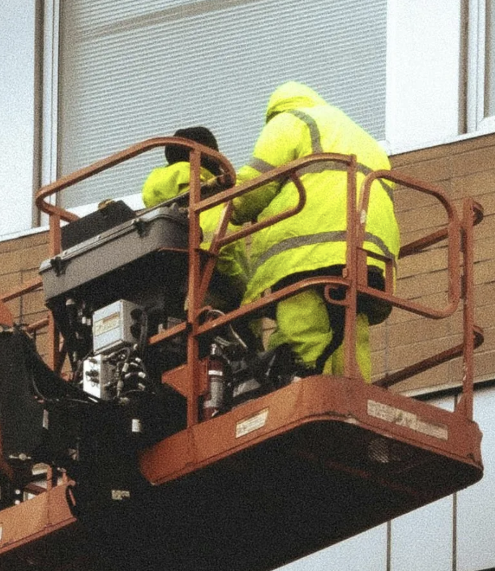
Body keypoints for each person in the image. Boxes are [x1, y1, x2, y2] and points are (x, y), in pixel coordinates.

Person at [231, 82, 399, 381]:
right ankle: (354, 391)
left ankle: (299, 382)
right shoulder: (363, 138)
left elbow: (256, 186)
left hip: (308, 248)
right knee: (349, 327)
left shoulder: (291, 121)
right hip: (368, 254)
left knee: (303, 323)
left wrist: (227, 208)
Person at [142, 126, 248, 312]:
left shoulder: (154, 213)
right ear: (209, 157)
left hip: (169, 306)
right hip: (211, 304)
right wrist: (247, 293)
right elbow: (224, 252)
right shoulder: (208, 202)